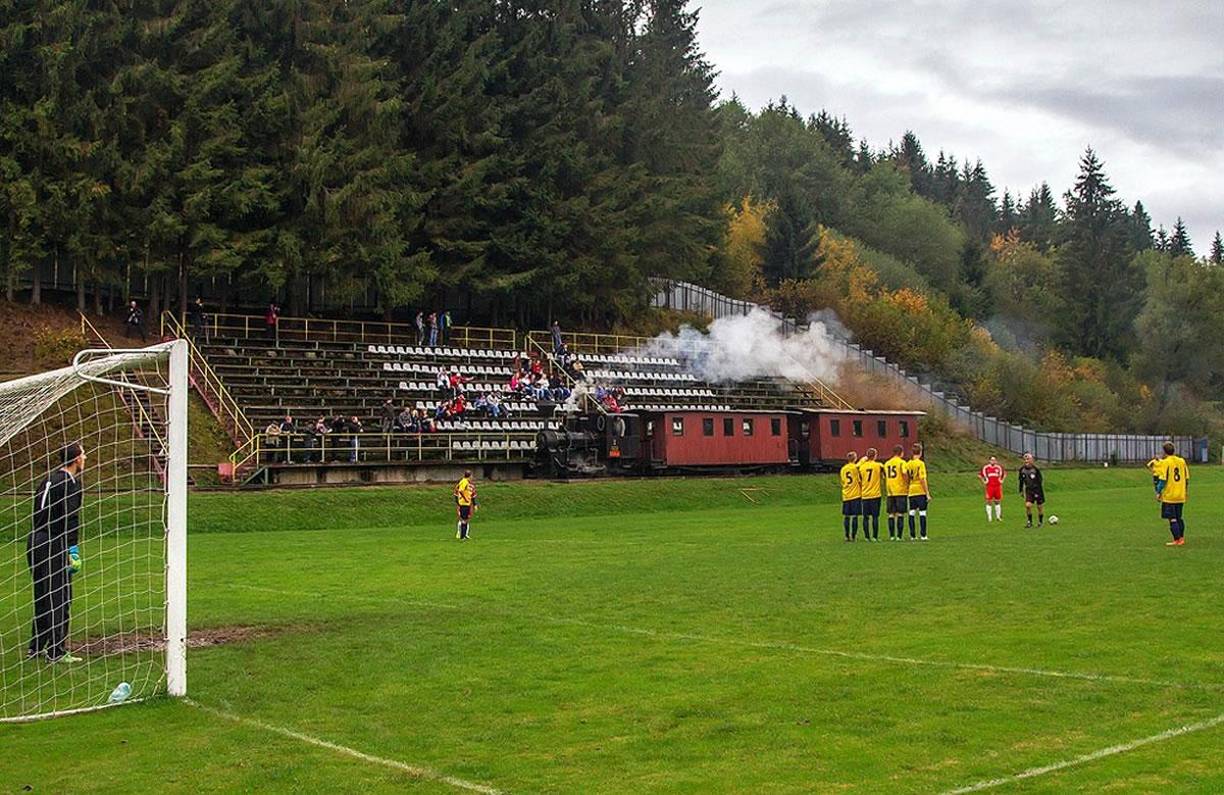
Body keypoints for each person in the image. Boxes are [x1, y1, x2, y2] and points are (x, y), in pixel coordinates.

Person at [28, 442, 87, 663]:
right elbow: (70, 519)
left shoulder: (48, 478)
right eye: (83, 454)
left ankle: (36, 647)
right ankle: (56, 651)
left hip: (35, 541)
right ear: (76, 459)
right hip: (54, 542)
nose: (86, 458)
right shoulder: (71, 483)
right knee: (60, 597)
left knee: (42, 595)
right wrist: (73, 550)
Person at [1154, 441, 1189, 547]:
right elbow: (1187, 478)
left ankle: (1177, 539)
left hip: (1170, 496)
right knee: (1179, 517)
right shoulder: (1182, 461)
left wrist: (1158, 491)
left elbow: (1163, 479)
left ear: (1164, 452)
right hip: (1180, 494)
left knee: (1172, 518)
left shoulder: (1166, 462)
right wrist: (1185, 491)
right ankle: (1181, 538)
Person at [857, 448, 885, 541]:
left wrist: (862, 460)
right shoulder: (878, 465)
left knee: (865, 517)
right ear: (875, 456)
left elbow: (857, 468)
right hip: (875, 495)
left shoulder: (862, 467)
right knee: (875, 517)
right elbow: (883, 471)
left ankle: (866, 537)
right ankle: (875, 536)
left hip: (865, 494)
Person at [905, 442, 930, 541]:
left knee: (911, 512)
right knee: (922, 513)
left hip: (911, 490)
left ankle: (912, 535)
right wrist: (927, 493)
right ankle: (923, 535)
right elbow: (922, 479)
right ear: (920, 452)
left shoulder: (908, 464)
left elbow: (906, 477)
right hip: (920, 490)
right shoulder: (920, 464)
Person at [883, 445, 908, 541]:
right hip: (900, 490)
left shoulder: (887, 463)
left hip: (890, 491)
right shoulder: (902, 463)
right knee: (900, 514)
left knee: (891, 514)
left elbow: (885, 475)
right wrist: (907, 484)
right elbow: (904, 473)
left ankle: (892, 536)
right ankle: (899, 536)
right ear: (901, 452)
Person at [1017, 453, 1045, 528]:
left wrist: (1038, 491)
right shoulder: (1022, 470)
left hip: (1037, 490)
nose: (1026, 461)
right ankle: (1029, 522)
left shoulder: (1035, 469)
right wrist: (1021, 490)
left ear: (1032, 460)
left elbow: (1040, 480)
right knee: (1028, 506)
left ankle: (1040, 522)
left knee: (1039, 507)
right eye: (1025, 459)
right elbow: (1021, 481)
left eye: (1028, 459)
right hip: (1028, 490)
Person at [839, 451, 863, 542]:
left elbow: (842, 481)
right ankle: (853, 536)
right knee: (855, 516)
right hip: (855, 494)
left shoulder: (843, 469)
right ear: (855, 458)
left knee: (846, 516)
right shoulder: (855, 468)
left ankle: (846, 535)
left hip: (846, 494)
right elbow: (859, 480)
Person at [979, 456, 1006, 522]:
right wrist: (984, 481)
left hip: (997, 486)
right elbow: (980, 475)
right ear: (989, 461)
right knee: (989, 501)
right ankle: (989, 517)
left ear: (996, 461)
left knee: (997, 501)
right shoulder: (986, 468)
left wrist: (1002, 480)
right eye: (991, 460)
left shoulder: (999, 467)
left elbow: (1004, 474)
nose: (993, 461)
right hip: (989, 487)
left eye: (994, 460)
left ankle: (998, 517)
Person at [453, 469, 477, 540]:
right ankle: (461, 536)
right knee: (463, 520)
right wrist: (465, 498)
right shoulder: (464, 482)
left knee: (466, 519)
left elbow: (472, 495)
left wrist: (473, 504)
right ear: (469, 476)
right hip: (464, 504)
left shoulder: (468, 483)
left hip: (467, 504)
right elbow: (460, 491)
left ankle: (464, 535)